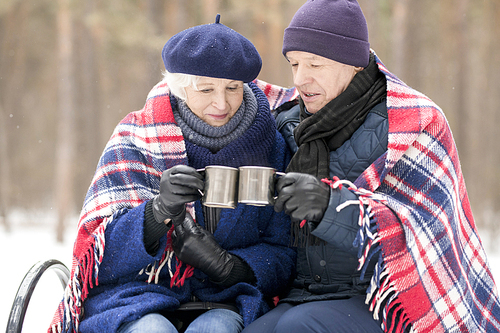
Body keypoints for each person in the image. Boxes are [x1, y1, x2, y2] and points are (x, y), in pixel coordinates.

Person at [243, 0, 500, 332]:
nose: (301, 78)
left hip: (383, 298)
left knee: (298, 326)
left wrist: (328, 206)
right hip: (304, 293)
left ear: (353, 64)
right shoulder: (288, 122)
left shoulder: (411, 123)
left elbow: (420, 230)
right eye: (294, 64)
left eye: (315, 64)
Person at [48, 15, 296, 333]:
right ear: (179, 87)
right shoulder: (136, 137)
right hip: (136, 295)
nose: (222, 103)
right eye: (206, 89)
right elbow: (97, 259)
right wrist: (155, 214)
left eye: (233, 88)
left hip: (228, 300)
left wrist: (233, 268)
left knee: (216, 329)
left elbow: (285, 252)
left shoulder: (271, 144)